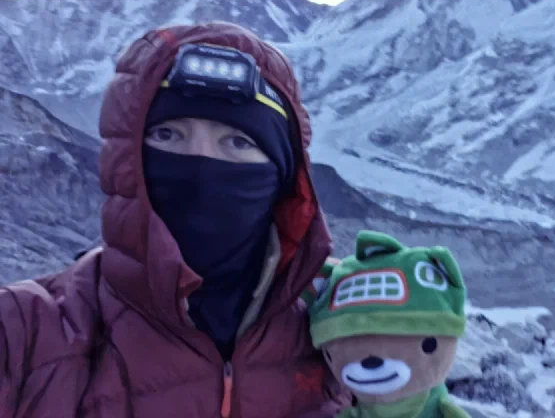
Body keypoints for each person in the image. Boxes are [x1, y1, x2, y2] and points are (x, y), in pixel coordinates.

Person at [0, 22, 350, 417]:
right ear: (126, 162)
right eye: (167, 135)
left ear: (283, 175)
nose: (202, 167)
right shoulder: (23, 333)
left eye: (238, 142)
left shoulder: (345, 332)